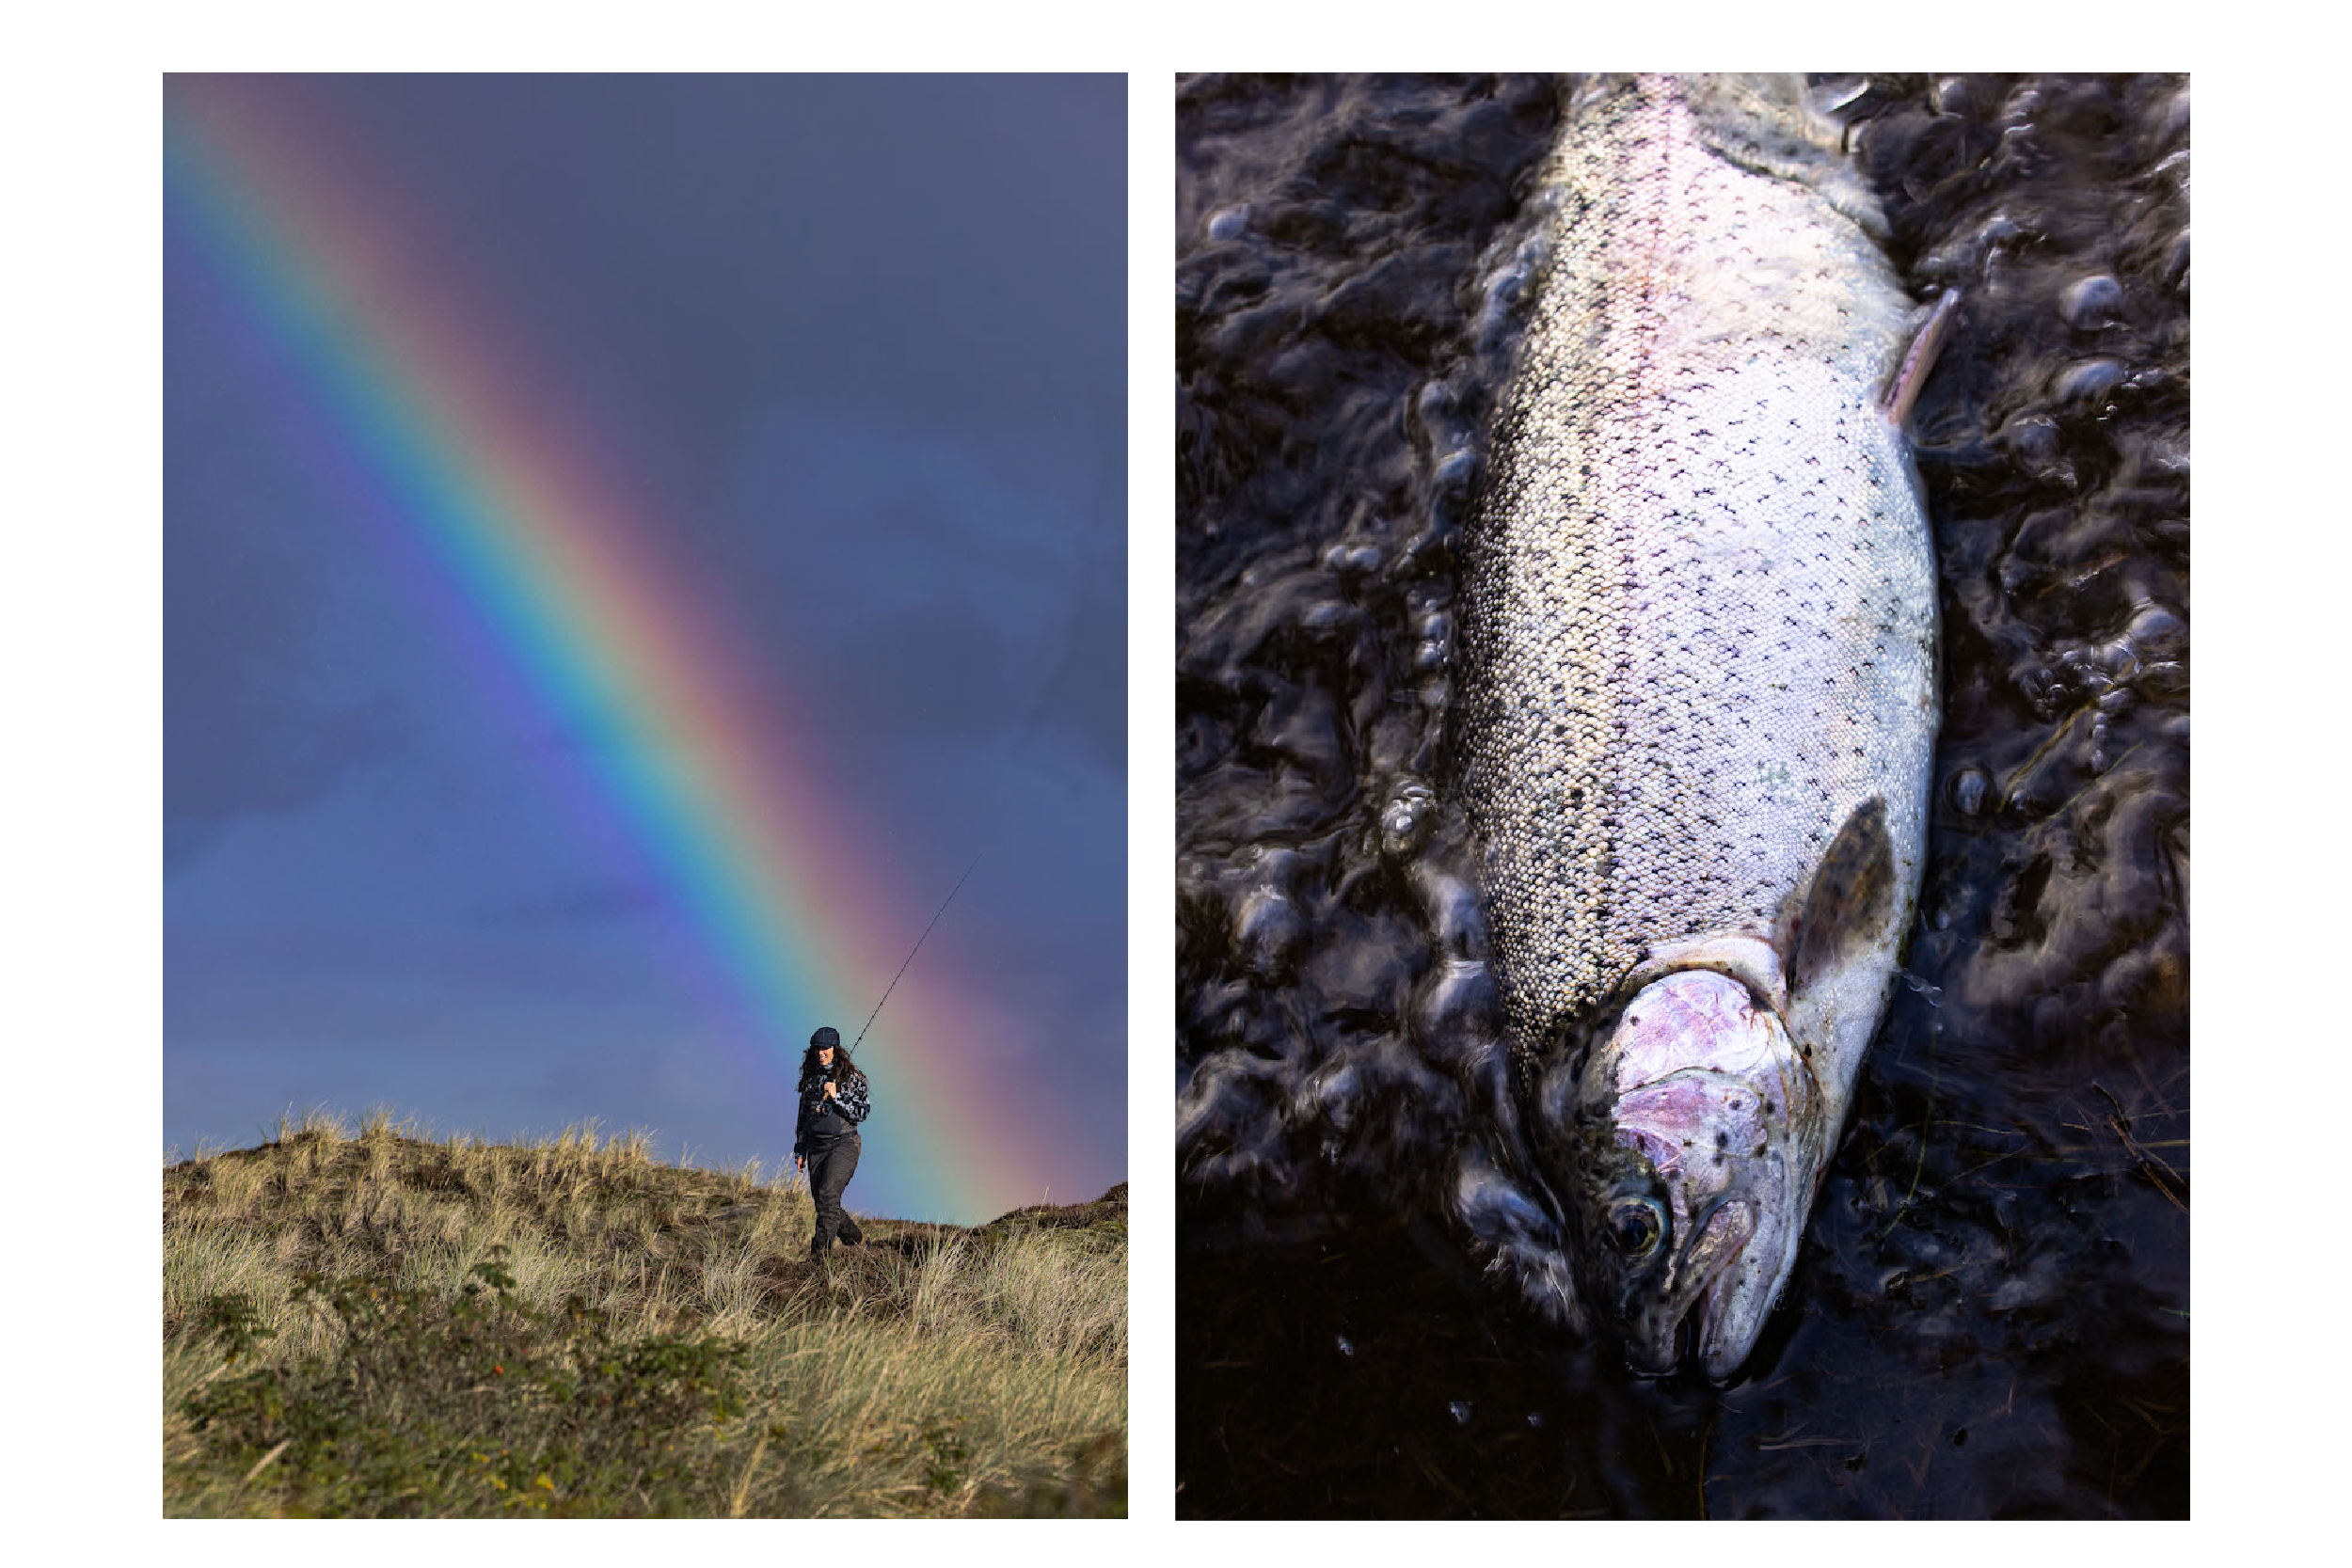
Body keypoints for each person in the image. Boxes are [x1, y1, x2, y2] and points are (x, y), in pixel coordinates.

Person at [793, 1024, 870, 1255]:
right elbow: (803, 1116)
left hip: (844, 1144)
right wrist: (800, 1150)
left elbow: (862, 1112)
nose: (821, 1052)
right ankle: (857, 1241)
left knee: (827, 1194)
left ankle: (818, 1259)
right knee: (824, 1203)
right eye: (817, 1048)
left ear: (835, 1049)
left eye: (825, 1048)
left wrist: (837, 1097)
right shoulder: (810, 1079)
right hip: (816, 1147)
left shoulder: (851, 1077)